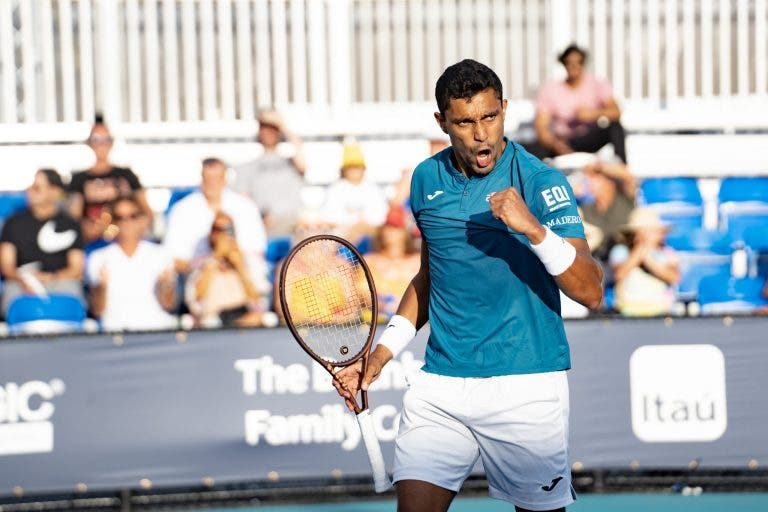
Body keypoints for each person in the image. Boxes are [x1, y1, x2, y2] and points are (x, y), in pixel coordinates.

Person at [334, 59, 603, 512]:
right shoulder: (424, 179)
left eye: (490, 117)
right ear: (442, 122)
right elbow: (429, 277)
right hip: (442, 384)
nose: (482, 135)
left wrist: (534, 230)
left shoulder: (540, 181)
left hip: (526, 382)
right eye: (465, 122)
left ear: (504, 110)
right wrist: (381, 355)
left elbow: (592, 291)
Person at [163, 157, 269, 292]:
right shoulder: (182, 209)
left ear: (225, 178)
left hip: (241, 274)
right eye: (208, 178)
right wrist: (211, 261)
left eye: (216, 178)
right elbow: (174, 258)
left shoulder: (246, 207)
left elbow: (257, 251)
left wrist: (231, 258)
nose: (212, 183)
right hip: (200, 278)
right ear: (201, 178)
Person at [0, 169, 85, 315]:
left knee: (72, 291)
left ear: (55, 191)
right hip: (21, 283)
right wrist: (26, 279)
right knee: (11, 294)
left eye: (37, 187)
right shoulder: (13, 222)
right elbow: (7, 266)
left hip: (60, 282)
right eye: (30, 187)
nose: (30, 191)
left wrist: (51, 277)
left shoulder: (70, 224)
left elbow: (76, 268)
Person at [86, 196, 178, 331]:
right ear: (113, 222)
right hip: (115, 331)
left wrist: (165, 286)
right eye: (119, 217)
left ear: (143, 220)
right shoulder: (98, 257)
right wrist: (102, 287)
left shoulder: (161, 254)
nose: (126, 222)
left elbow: (168, 304)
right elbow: (98, 310)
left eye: (132, 216)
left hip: (157, 328)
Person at [529, 44, 626, 163]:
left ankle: (622, 169)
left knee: (615, 127)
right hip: (562, 141)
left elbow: (616, 112)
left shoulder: (597, 84)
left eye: (578, 62)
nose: (574, 66)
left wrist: (593, 114)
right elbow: (541, 127)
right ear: (564, 64)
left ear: (583, 63)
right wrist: (556, 145)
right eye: (569, 62)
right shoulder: (550, 89)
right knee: (529, 149)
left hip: (589, 139)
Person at [68, 116, 152, 243]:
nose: (102, 144)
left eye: (106, 139)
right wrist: (90, 230)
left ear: (112, 142)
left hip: (124, 243)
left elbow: (146, 212)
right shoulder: (79, 179)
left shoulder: (126, 174)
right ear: (89, 142)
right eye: (96, 139)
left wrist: (129, 228)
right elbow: (74, 219)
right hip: (93, 243)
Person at [185, 212, 274, 328]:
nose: (224, 235)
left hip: (245, 318)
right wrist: (215, 258)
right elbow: (197, 302)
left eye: (228, 229)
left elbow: (259, 301)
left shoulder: (248, 261)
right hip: (213, 322)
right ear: (211, 233)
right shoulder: (200, 264)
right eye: (218, 230)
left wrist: (239, 266)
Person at [233, 110, 306, 236]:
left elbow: (299, 146)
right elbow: (243, 201)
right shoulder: (246, 167)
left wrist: (281, 124)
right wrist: (259, 218)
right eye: (265, 128)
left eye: (273, 129)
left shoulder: (291, 163)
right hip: (264, 227)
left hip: (293, 224)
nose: (268, 133)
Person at [609, 207, 680, 317]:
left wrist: (648, 259)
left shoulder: (667, 253)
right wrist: (639, 251)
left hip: (661, 311)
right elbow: (619, 274)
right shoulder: (621, 252)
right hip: (627, 311)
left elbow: (674, 277)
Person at [319, 140, 389, 242]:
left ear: (363, 168)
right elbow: (328, 219)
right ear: (344, 170)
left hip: (370, 237)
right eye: (350, 167)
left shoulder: (374, 189)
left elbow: (380, 220)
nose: (354, 171)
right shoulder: (335, 189)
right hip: (342, 240)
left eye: (357, 167)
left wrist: (360, 227)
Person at [571, 160, 636, 261]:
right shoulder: (585, 208)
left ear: (610, 182)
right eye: (589, 178)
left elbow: (628, 176)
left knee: (619, 252)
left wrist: (599, 167)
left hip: (626, 256)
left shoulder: (624, 198)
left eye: (596, 178)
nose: (590, 182)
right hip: (597, 260)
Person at [364, 206, 421, 320]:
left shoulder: (418, 260)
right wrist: (385, 306)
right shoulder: (370, 261)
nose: (390, 232)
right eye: (388, 226)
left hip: (415, 321)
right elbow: (364, 294)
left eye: (396, 227)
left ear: (405, 231)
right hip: (380, 320)